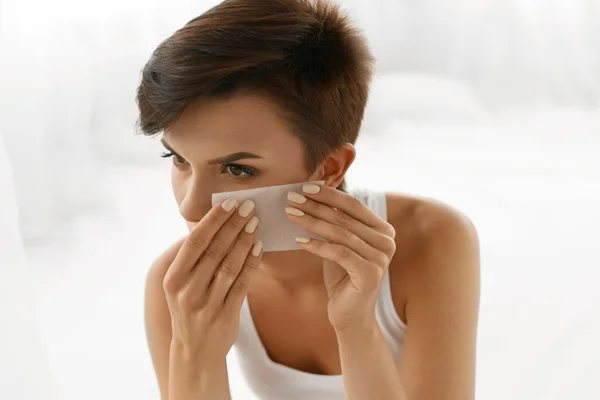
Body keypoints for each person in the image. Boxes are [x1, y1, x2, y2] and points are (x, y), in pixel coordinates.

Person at [138, 1, 480, 399]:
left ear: (329, 166)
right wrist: (196, 354)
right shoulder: (175, 285)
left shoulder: (433, 241)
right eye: (178, 158)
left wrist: (357, 328)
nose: (190, 208)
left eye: (237, 169)